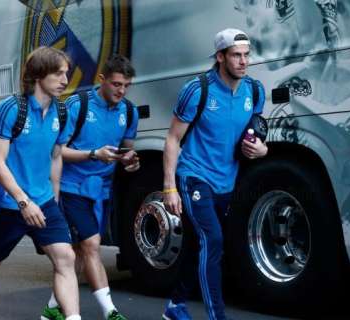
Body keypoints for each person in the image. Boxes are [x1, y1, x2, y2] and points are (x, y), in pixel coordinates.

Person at [0, 47, 81, 320]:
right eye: (59, 73)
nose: (66, 79)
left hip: (43, 201)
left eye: (66, 73)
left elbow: (55, 158)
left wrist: (52, 199)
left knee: (66, 258)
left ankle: (73, 317)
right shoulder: (10, 110)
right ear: (39, 75)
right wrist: (22, 200)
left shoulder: (62, 112)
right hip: (8, 204)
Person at [161, 28, 268, 320]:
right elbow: (172, 140)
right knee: (214, 241)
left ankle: (174, 306)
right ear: (220, 57)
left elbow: (255, 134)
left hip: (226, 181)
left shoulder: (255, 91)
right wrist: (169, 188)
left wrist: (262, 151)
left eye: (247, 55)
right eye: (236, 55)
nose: (244, 62)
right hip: (194, 175)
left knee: (200, 245)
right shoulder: (197, 91)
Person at [40, 54, 139, 320]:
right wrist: (93, 154)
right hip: (73, 188)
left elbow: (126, 152)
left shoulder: (129, 111)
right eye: (117, 84)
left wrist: (131, 162)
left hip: (101, 192)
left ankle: (53, 307)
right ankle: (111, 312)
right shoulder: (77, 106)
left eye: (127, 86)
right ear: (102, 80)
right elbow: (57, 151)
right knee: (92, 245)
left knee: (78, 254)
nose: (122, 91)